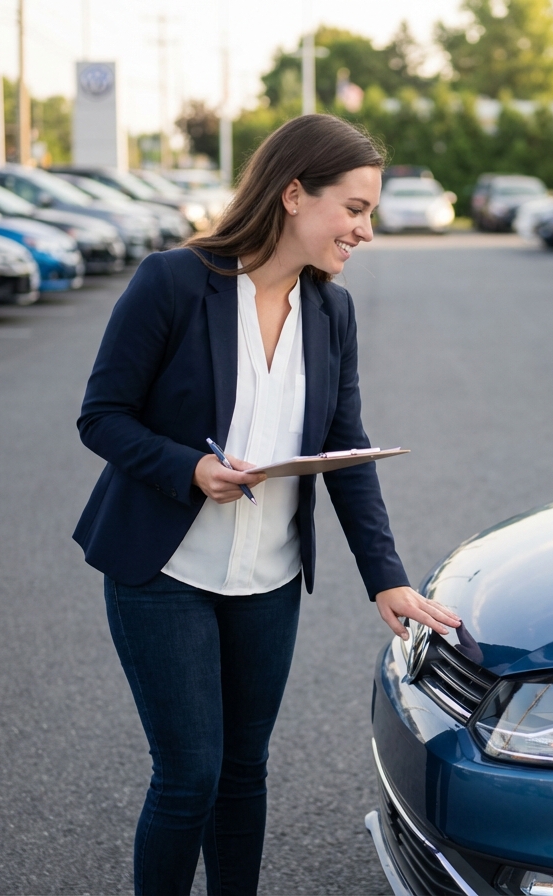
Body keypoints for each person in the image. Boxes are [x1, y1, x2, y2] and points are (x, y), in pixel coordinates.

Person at [72, 114, 461, 896]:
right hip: (165, 571)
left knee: (245, 773)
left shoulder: (332, 311)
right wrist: (191, 468)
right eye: (354, 209)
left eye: (370, 213)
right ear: (292, 193)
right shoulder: (174, 282)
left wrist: (386, 578)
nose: (365, 230)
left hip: (269, 581)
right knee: (190, 777)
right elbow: (102, 416)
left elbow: (346, 450)